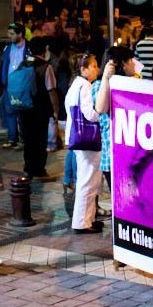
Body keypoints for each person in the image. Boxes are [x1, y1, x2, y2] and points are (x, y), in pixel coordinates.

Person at [94, 46, 138, 217]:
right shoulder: (99, 85)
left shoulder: (134, 84)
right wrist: (106, 78)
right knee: (122, 206)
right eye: (131, 61)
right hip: (114, 158)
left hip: (135, 156)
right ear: (123, 64)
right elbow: (101, 108)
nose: (135, 65)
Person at [65, 54, 102, 234]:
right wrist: (101, 112)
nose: (97, 69)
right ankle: (81, 223)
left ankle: (89, 219)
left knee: (87, 180)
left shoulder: (75, 85)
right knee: (88, 181)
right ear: (83, 69)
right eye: (93, 66)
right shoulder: (85, 85)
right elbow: (89, 113)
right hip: (86, 140)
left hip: (78, 139)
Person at [20, 37, 59, 180]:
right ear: (45, 49)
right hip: (39, 109)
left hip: (24, 107)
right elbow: (52, 91)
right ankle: (39, 170)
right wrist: (55, 110)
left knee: (28, 140)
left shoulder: (23, 63)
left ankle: (28, 169)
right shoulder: (46, 66)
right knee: (40, 140)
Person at [0, 23, 29, 149]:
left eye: (12, 34)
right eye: (9, 33)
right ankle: (12, 139)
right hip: (9, 86)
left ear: (20, 34)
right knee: (9, 112)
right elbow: (4, 64)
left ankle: (24, 140)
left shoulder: (28, 47)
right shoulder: (8, 48)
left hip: (23, 86)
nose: (9, 36)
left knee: (23, 113)